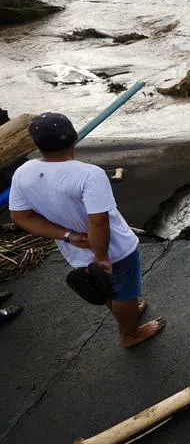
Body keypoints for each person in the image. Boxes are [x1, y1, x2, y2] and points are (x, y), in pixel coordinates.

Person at [9, 113, 165, 348]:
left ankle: (127, 311)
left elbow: (21, 217)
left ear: (35, 143)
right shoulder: (88, 174)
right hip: (114, 249)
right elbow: (99, 222)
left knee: (104, 286)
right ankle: (131, 334)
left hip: (75, 250)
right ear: (74, 137)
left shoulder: (24, 172)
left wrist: (68, 236)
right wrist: (101, 257)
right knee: (125, 292)